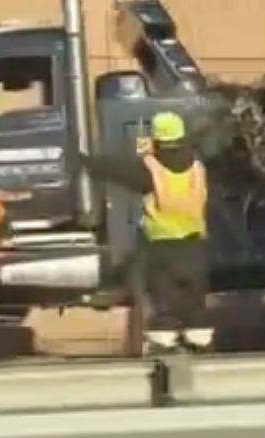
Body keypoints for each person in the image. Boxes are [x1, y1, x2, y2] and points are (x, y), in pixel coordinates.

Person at [83, 110, 212, 352]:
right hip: (195, 246)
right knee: (195, 304)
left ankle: (165, 353)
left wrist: (86, 162)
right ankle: (200, 345)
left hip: (162, 248)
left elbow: (114, 169)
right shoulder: (197, 166)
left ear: (157, 139)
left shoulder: (151, 168)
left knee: (164, 306)